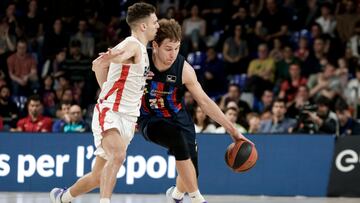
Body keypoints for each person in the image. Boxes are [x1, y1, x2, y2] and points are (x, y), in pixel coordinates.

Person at [50, 3, 159, 203]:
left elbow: (114, 69)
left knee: (98, 176)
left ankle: (62, 197)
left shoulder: (142, 51)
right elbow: (98, 64)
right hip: (111, 112)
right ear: (143, 26)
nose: (157, 26)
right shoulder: (132, 44)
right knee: (118, 156)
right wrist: (108, 84)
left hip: (127, 118)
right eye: (155, 22)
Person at [138, 19, 252, 203]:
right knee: (177, 139)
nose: (173, 54)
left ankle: (175, 196)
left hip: (178, 117)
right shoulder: (140, 60)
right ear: (155, 45)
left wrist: (234, 131)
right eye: (168, 48)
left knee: (192, 173)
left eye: (177, 48)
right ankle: (198, 199)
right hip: (149, 119)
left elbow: (205, 102)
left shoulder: (184, 69)